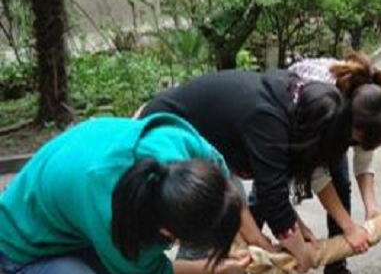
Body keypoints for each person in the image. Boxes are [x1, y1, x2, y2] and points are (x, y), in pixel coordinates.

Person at [139, 70, 353, 274]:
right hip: (164, 141)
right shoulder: (269, 122)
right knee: (207, 239)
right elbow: (273, 198)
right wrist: (300, 253)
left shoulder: (292, 101)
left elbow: (270, 190)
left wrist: (294, 232)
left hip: (204, 154)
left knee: (233, 232)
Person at [0, 115, 244, 274]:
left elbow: (228, 194)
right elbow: (154, 271)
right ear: (167, 232)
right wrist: (212, 268)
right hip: (19, 246)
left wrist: (255, 243)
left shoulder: (184, 147)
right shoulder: (117, 217)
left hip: (68, 213)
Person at [289, 53, 381, 274]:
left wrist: (371, 207)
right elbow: (318, 176)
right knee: (265, 194)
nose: (355, 146)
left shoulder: (370, 104)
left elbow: (363, 162)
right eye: (355, 141)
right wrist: (350, 228)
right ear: (350, 125)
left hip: (331, 126)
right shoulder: (328, 104)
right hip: (293, 125)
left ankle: (336, 265)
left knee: (341, 183)